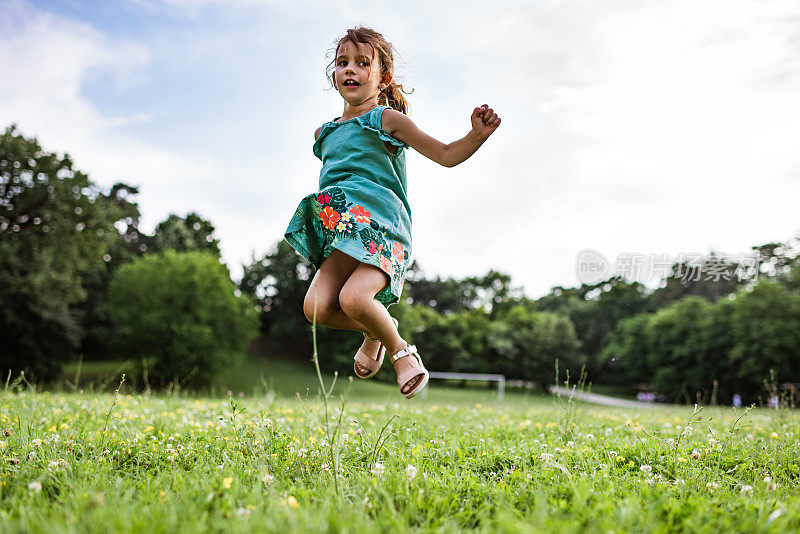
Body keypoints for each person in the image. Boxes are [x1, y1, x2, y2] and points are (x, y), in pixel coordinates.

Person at [284, 26, 501, 398]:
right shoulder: (325, 133)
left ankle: (403, 355)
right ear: (333, 74)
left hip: (383, 229)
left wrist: (476, 136)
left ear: (382, 77)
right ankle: (376, 329)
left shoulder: (386, 120)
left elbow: (447, 155)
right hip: (344, 231)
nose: (350, 70)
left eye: (362, 63)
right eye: (343, 62)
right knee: (316, 308)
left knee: (354, 299)